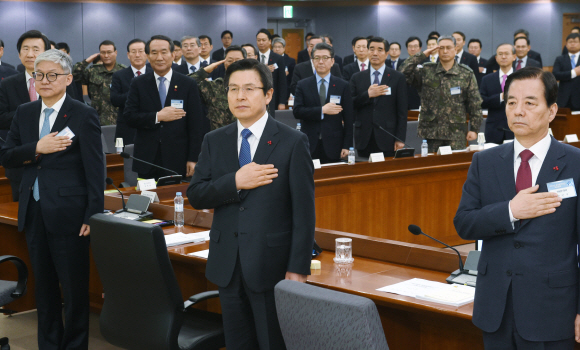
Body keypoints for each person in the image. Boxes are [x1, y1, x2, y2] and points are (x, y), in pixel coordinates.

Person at [187, 58, 315, 350]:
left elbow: (304, 211)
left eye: (248, 89)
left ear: (268, 95)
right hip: (227, 264)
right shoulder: (214, 139)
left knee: (272, 342)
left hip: (272, 263)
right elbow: (197, 194)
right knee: (237, 343)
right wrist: (235, 181)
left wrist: (299, 265)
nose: (240, 96)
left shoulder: (292, 141)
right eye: (233, 89)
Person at [454, 66, 580, 349]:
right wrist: (510, 210)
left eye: (530, 103)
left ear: (551, 111)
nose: (518, 111)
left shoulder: (575, 163)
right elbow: (464, 223)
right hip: (495, 309)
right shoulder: (484, 162)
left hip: (552, 309)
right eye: (511, 102)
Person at [0, 49, 104, 350]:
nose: (44, 81)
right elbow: (7, 156)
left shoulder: (83, 114)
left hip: (71, 215)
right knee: (43, 290)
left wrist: (92, 215)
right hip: (33, 212)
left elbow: (95, 169)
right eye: (39, 75)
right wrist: (37, 147)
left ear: (68, 79)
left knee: (73, 291)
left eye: (52, 75)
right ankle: (48, 345)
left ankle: (74, 345)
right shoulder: (25, 112)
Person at [0, 30, 79, 202]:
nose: (30, 54)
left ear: (46, 52)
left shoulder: (62, 80)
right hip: (21, 166)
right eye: (25, 49)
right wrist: (34, 112)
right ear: (19, 54)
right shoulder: (7, 84)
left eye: (36, 49)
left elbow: (75, 113)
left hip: (61, 165)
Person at [124, 35, 203, 179]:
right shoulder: (138, 83)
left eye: (164, 52)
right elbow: (129, 117)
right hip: (147, 159)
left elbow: (196, 125)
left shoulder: (188, 84)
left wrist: (193, 158)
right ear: (148, 56)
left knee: (177, 199)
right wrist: (158, 116)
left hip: (178, 159)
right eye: (154, 53)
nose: (159, 57)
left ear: (173, 55)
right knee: (147, 199)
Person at [401, 35, 482, 152]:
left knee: (455, 167)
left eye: (448, 48)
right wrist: (423, 55)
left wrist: (474, 129)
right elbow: (403, 73)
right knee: (432, 167)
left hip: (456, 133)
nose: (445, 51)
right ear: (437, 50)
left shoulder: (466, 73)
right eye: (441, 48)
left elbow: (475, 103)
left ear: (456, 49)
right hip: (432, 133)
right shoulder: (426, 70)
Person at [293, 43, 353, 163]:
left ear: (332, 61)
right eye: (317, 58)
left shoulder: (343, 85)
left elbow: (349, 118)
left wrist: (347, 145)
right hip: (309, 142)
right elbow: (297, 111)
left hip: (335, 143)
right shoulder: (303, 85)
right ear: (312, 61)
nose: (321, 62)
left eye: (325, 58)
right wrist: (322, 110)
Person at [350, 37, 408, 158]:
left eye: (380, 50)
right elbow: (350, 104)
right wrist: (367, 95)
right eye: (371, 49)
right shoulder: (357, 77)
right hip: (364, 137)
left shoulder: (397, 77)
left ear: (387, 53)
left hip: (388, 137)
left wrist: (400, 138)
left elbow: (402, 111)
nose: (375, 53)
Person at [188, 45, 246, 130]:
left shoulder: (254, 87)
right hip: (220, 139)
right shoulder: (213, 87)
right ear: (224, 62)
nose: (234, 63)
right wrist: (205, 71)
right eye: (229, 60)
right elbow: (186, 84)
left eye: (238, 60)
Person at [72, 40, 126, 126]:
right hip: (96, 119)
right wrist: (87, 61)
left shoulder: (124, 71)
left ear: (115, 53)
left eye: (109, 52)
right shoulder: (93, 71)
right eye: (103, 52)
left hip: (120, 120)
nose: (106, 55)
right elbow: (74, 75)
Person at [110, 38, 151, 145]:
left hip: (151, 126)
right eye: (133, 52)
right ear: (128, 55)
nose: (137, 55)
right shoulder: (119, 75)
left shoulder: (154, 74)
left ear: (147, 54)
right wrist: (136, 93)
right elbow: (115, 100)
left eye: (141, 51)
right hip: (127, 128)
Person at [480, 43, 516, 144]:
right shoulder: (487, 79)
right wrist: (501, 97)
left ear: (514, 57)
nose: (503, 56)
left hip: (516, 128)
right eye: (500, 54)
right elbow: (481, 101)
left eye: (506, 54)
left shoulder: (522, 78)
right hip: (493, 129)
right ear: (496, 58)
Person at [255, 29, 287, 111]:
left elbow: (282, 82)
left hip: (273, 99)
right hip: (256, 97)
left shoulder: (278, 58)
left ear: (269, 41)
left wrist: (282, 102)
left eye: (263, 40)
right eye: (259, 40)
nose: (261, 42)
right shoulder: (253, 58)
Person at [553, 33, 580, 111]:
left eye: (575, 42)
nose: (572, 44)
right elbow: (555, 75)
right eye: (570, 42)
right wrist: (573, 73)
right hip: (564, 99)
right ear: (566, 44)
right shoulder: (560, 59)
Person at [404, 36, 423, 109]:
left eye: (415, 46)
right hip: (406, 101)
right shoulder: (403, 64)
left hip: (422, 101)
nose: (412, 49)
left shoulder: (427, 64)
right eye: (410, 46)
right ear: (407, 48)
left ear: (420, 48)